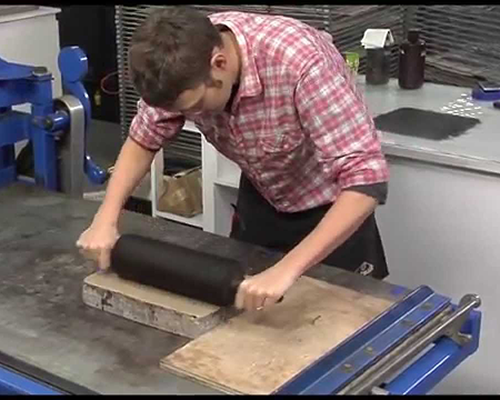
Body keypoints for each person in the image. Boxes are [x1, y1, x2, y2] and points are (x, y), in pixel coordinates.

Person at [76, 6, 390, 312]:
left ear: (220, 63)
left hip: (333, 210)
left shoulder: (301, 62)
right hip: (263, 198)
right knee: (248, 317)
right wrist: (105, 218)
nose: (188, 118)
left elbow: (366, 182)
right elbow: (144, 137)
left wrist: (286, 269)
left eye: (195, 106)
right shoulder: (177, 62)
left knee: (344, 327)